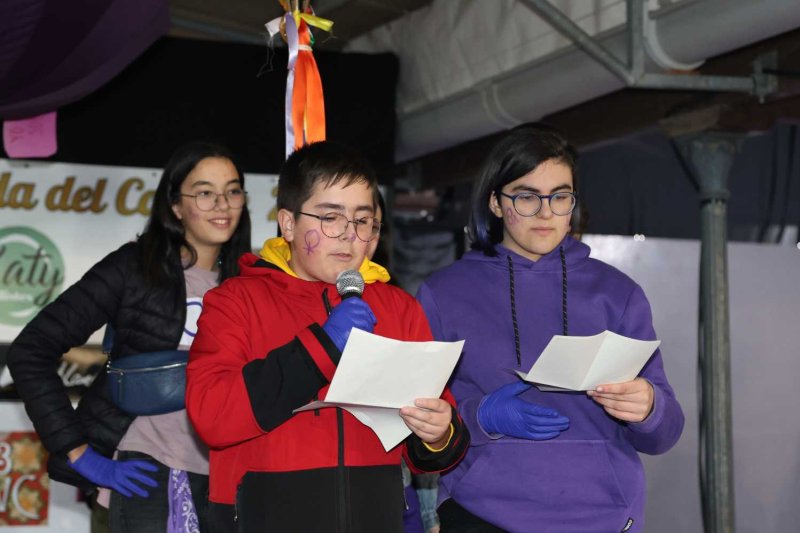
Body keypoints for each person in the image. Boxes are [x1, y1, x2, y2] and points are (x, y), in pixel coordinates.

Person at [185, 140, 469, 533]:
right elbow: (211, 417)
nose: (348, 235)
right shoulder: (234, 301)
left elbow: (430, 448)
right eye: (330, 218)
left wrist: (439, 433)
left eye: (363, 220)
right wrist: (322, 345)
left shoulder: (399, 307)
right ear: (287, 223)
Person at [416, 123, 684, 533]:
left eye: (560, 196)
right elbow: (415, 424)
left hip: (603, 517)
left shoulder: (617, 293)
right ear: (494, 201)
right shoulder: (443, 294)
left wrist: (648, 406)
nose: (546, 212)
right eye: (526, 197)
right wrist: (480, 415)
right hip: (480, 515)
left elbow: (663, 435)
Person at [7, 141, 252, 532]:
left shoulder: (253, 282)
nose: (222, 204)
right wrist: (79, 453)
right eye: (205, 192)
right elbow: (29, 350)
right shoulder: (135, 267)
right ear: (175, 206)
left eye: (233, 190)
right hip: (145, 476)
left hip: (231, 481)